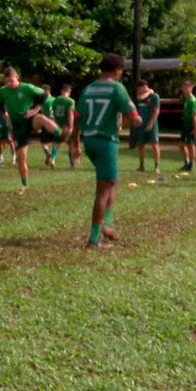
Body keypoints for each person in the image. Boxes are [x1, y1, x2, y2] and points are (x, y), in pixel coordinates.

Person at [71, 53, 142, 249]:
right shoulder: (117, 88)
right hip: (106, 142)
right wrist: (137, 119)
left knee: (113, 181)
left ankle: (107, 224)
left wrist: (75, 144)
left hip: (89, 141)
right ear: (118, 69)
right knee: (102, 190)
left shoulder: (89, 88)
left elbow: (77, 116)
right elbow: (134, 117)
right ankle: (94, 239)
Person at [0, 67, 48, 194]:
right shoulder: (3, 91)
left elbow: (44, 94)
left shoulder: (27, 88)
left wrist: (35, 110)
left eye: (11, 81)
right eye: (7, 81)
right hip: (18, 127)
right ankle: (24, 184)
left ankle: (55, 135)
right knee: (21, 158)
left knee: (41, 120)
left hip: (29, 119)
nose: (9, 84)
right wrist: (5, 114)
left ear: (17, 77)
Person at [134, 79, 163, 179]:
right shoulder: (139, 98)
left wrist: (151, 123)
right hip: (141, 124)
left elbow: (156, 111)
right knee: (140, 145)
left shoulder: (154, 96)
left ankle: (156, 167)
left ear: (144, 87)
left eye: (139, 88)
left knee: (154, 145)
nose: (138, 90)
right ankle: (141, 165)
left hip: (152, 124)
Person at [46, 84, 76, 169]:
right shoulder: (70, 101)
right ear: (69, 92)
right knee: (70, 143)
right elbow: (70, 114)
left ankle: (53, 159)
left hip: (57, 125)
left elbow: (53, 112)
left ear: (61, 91)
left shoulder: (56, 100)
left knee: (56, 143)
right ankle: (72, 164)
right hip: (66, 125)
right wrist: (71, 126)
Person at [179, 80, 196, 171]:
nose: (185, 90)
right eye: (183, 88)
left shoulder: (192, 100)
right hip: (185, 124)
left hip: (190, 124)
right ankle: (186, 162)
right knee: (181, 145)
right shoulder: (187, 99)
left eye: (187, 88)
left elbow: (194, 115)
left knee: (190, 145)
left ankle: (191, 164)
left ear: (191, 88)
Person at [38, 83, 55, 166]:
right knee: (55, 142)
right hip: (55, 123)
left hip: (46, 122)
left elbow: (41, 110)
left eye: (43, 91)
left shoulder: (43, 101)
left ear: (47, 91)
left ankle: (47, 153)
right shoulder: (55, 100)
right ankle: (53, 159)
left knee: (43, 143)